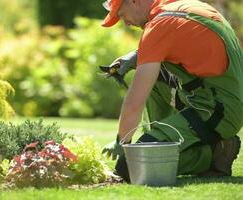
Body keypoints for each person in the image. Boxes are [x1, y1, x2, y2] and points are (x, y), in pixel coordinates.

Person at [100, 0, 243, 182]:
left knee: (132, 167)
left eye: (121, 14)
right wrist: (138, 55)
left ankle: (215, 153)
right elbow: (190, 43)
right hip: (221, 99)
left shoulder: (159, 26)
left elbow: (134, 103)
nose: (125, 22)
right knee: (154, 72)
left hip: (217, 111)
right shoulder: (182, 6)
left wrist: (122, 141)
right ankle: (160, 142)